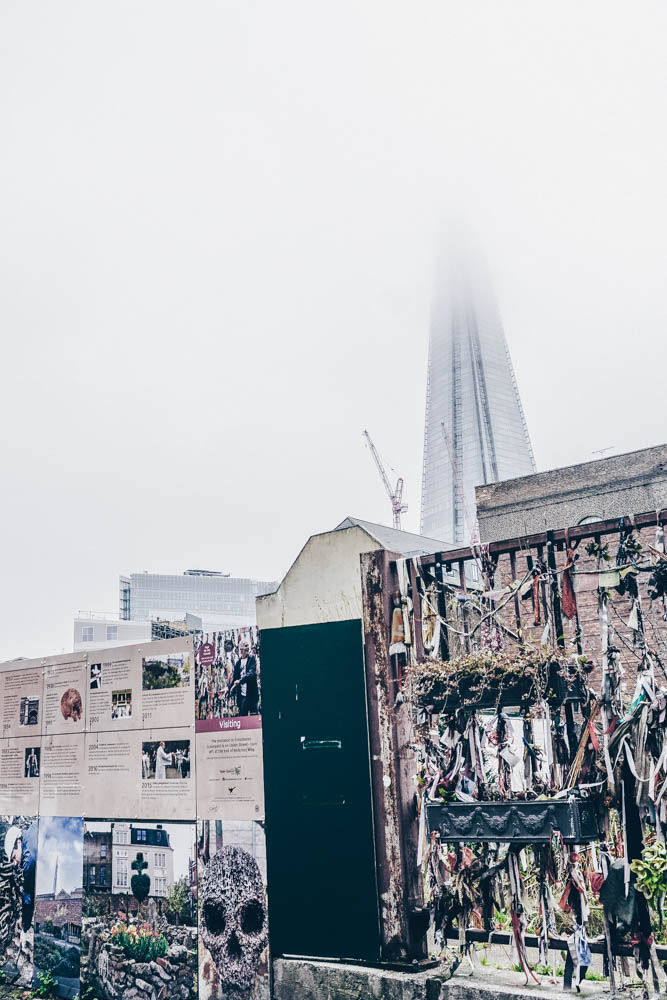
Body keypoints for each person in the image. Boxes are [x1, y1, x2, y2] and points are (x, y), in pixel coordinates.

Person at [231, 640, 259, 716]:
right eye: (245, 648)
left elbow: (251, 674)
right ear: (240, 650)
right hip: (242, 697)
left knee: (254, 718)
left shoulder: (252, 659)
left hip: (252, 695)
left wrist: (240, 681)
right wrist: (227, 688)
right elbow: (235, 679)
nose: (247, 650)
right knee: (243, 719)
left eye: (247, 648)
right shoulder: (238, 663)